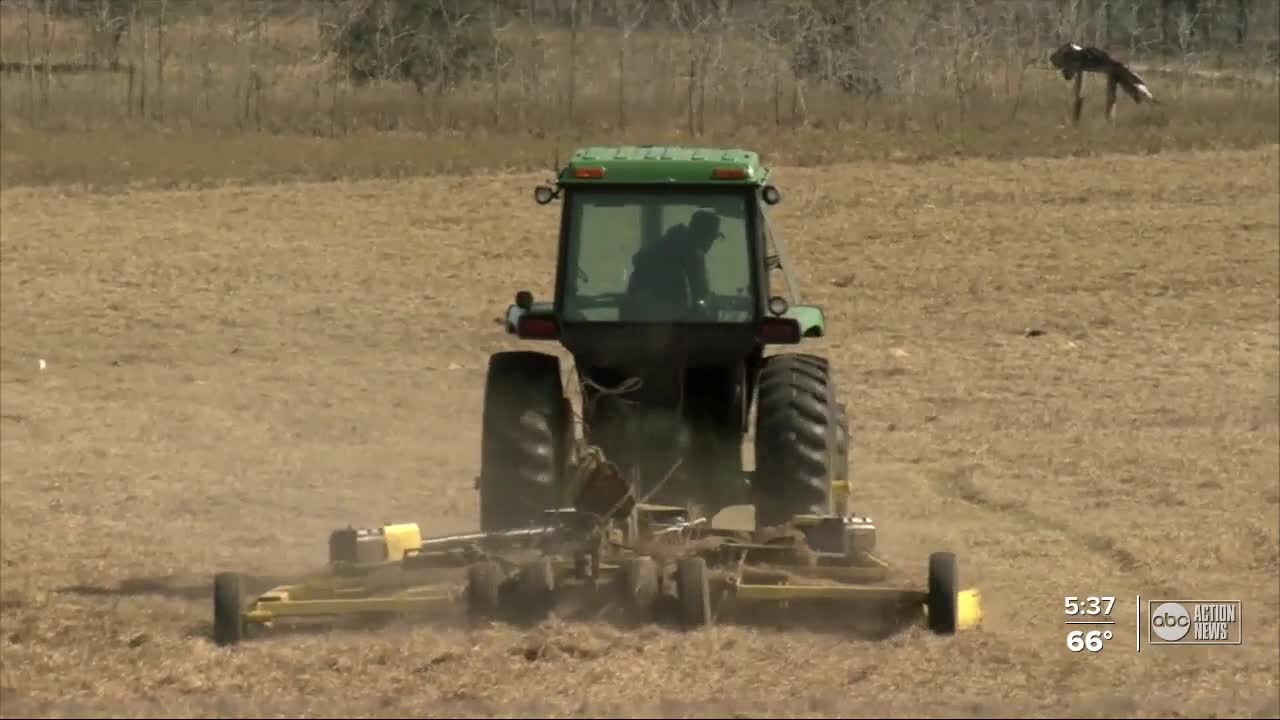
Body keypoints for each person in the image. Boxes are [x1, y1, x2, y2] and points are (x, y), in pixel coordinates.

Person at [624, 209, 722, 318]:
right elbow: (699, 292)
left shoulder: (662, 246)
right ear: (704, 235)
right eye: (712, 238)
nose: (711, 243)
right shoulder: (690, 252)